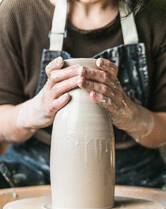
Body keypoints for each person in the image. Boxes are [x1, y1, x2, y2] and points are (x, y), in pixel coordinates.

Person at [0, 0, 166, 189]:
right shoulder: (18, 11)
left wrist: (133, 117)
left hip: (135, 169)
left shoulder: (157, 14)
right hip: (33, 164)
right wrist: (34, 112)